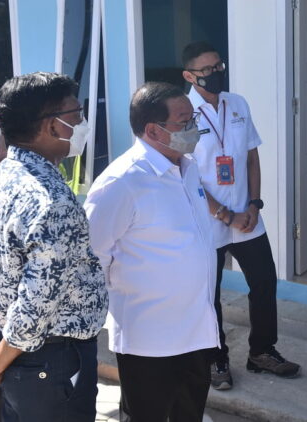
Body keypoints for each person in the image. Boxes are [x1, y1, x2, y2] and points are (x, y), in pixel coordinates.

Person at [0, 72, 108, 422]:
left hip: (18, 356)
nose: (82, 123)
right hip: (51, 361)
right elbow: (37, 300)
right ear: (52, 127)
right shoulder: (51, 200)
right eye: (76, 114)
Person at [84, 82, 219, 421]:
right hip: (149, 342)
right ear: (153, 130)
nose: (194, 128)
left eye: (193, 119)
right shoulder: (122, 182)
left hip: (196, 332)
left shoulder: (186, 168)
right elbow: (91, 258)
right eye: (184, 121)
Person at [181, 41, 300, 390]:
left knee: (264, 283)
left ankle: (262, 352)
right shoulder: (181, 113)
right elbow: (183, 175)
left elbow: (251, 157)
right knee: (209, 294)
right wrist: (223, 213)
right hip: (207, 220)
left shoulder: (237, 104)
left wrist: (254, 204)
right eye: (208, 71)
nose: (217, 74)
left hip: (246, 217)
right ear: (190, 76)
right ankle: (216, 359)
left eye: (219, 66)